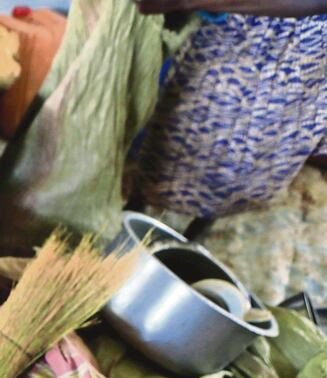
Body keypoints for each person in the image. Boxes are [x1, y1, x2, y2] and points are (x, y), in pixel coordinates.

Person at [133, 0, 327, 220]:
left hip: (291, 58)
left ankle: (192, 222)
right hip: (233, 32)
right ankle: (138, 202)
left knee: (228, 163)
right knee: (169, 134)